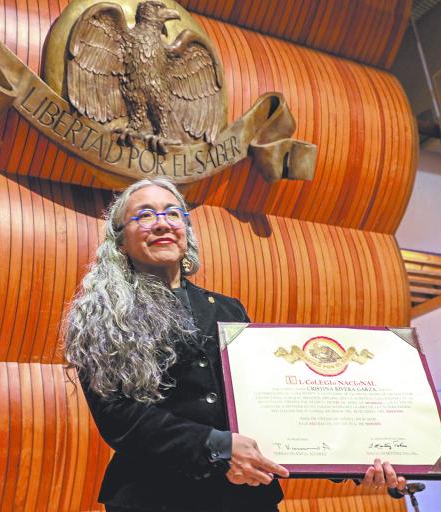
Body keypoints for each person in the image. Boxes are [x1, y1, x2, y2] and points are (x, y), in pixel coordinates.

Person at [64, 177, 407, 512]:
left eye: (173, 213)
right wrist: (218, 446)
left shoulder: (230, 309)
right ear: (120, 241)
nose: (162, 224)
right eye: (145, 215)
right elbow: (119, 418)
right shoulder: (102, 313)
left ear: (187, 232)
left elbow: (268, 405)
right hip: (154, 497)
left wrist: (351, 462)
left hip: (245, 498)